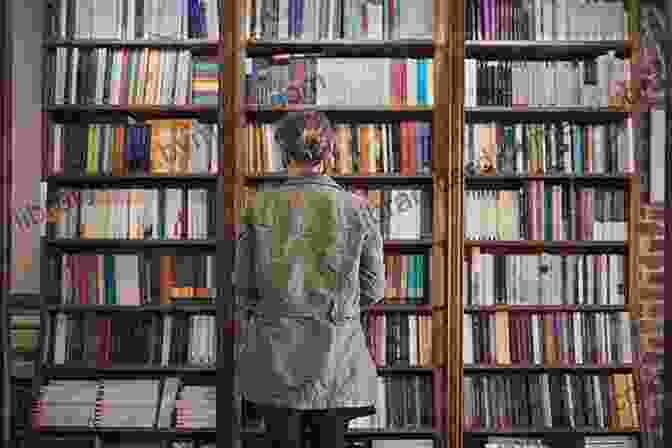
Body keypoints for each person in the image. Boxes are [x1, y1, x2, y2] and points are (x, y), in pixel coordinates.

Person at [233, 110, 385, 448]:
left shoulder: (258, 206)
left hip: (274, 358)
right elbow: (374, 289)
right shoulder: (357, 207)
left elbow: (242, 289)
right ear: (329, 153)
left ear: (284, 153)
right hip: (336, 359)